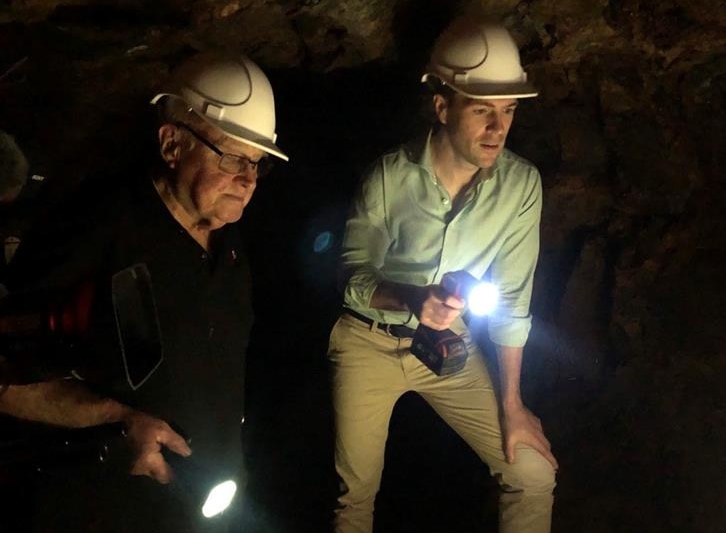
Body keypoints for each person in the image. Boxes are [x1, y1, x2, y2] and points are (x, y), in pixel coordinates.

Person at [0, 52, 288, 532]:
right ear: (172, 144)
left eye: (258, 165)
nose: (247, 180)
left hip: (206, 505)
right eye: (232, 157)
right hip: (107, 509)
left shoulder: (229, 244)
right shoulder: (96, 232)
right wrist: (115, 421)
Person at [330, 17, 557, 533]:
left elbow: (515, 303)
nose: (498, 129)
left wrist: (514, 405)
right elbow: (350, 277)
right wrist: (412, 296)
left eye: (508, 111)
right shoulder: (390, 176)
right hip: (367, 340)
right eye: (482, 111)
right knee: (354, 497)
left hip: (445, 342)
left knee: (533, 472)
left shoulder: (520, 186)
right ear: (442, 106)